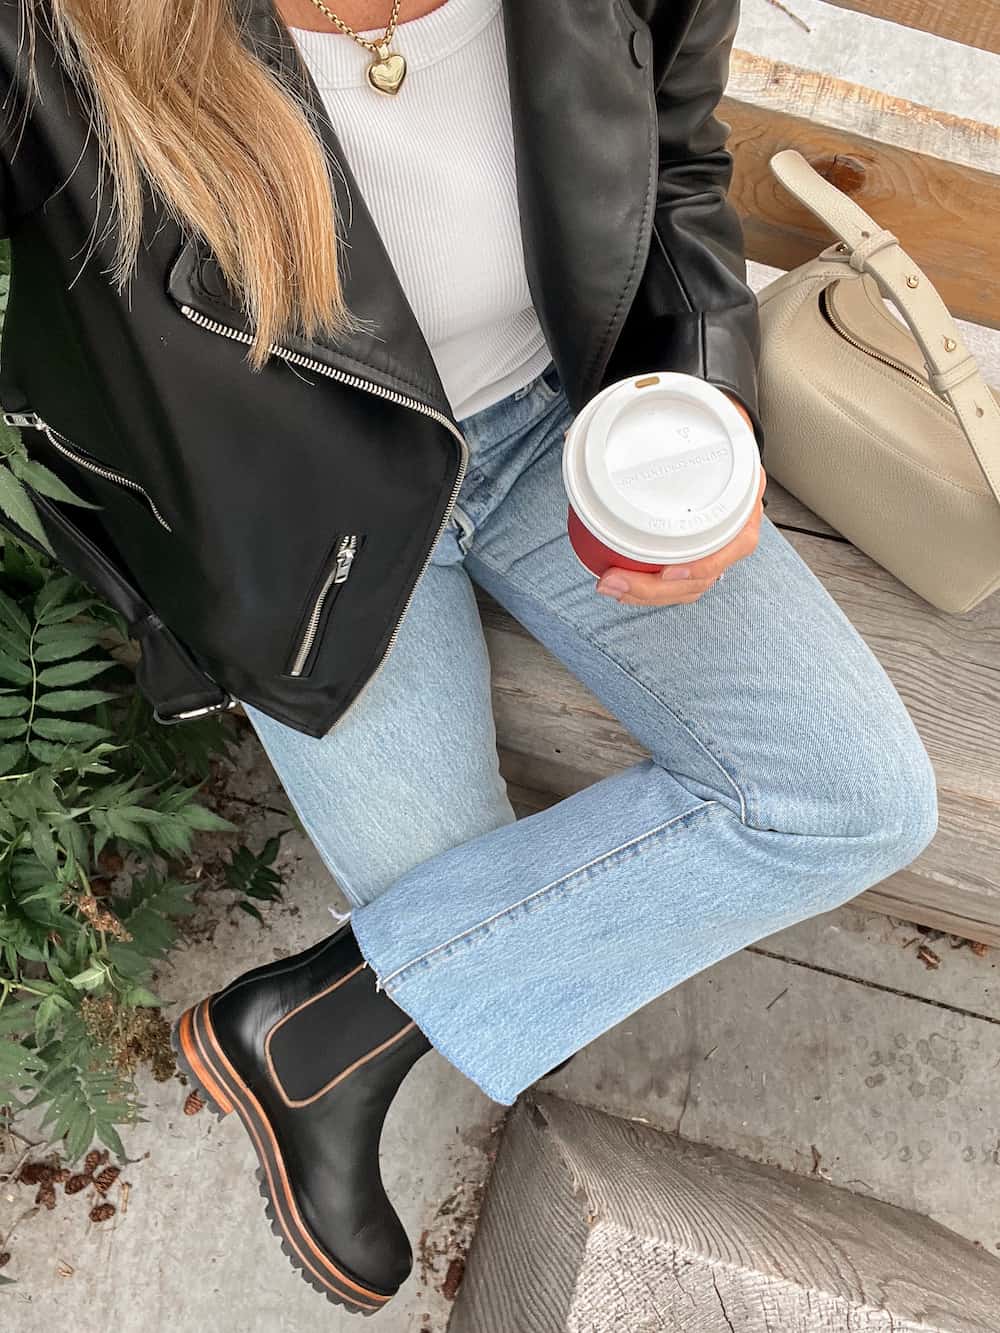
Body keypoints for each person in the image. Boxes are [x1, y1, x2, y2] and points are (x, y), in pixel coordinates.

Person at [0, 0, 938, 1316]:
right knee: (460, 909)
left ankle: (309, 1032)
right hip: (304, 513)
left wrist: (702, 407)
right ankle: (322, 1037)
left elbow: (673, 155)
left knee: (854, 794)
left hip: (574, 427)